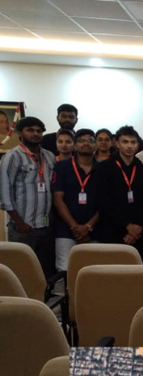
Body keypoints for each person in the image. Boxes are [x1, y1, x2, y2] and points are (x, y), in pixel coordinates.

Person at [95, 125, 143, 269]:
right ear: (117, 143)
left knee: (139, 272)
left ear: (138, 145)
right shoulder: (104, 168)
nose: (129, 146)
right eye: (125, 142)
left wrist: (137, 228)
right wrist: (127, 225)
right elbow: (104, 201)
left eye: (133, 142)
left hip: (140, 232)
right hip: (113, 230)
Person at [0, 116, 56, 277]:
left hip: (45, 227)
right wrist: (19, 223)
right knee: (22, 272)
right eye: (30, 130)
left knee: (45, 272)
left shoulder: (49, 156)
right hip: (23, 228)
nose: (35, 134)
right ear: (20, 133)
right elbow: (4, 193)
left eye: (39, 131)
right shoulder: (12, 157)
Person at [52, 128, 99, 269]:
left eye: (90, 140)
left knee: (94, 270)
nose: (86, 144)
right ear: (75, 145)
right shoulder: (62, 167)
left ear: (96, 144)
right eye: (81, 141)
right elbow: (58, 199)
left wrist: (88, 227)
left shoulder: (103, 169)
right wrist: (76, 227)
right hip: (66, 229)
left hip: (95, 229)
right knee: (65, 269)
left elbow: (106, 203)